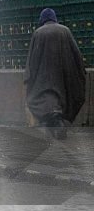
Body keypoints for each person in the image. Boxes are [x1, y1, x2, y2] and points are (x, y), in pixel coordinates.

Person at [24, 8, 86, 138]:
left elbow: (32, 59)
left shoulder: (38, 33)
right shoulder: (65, 31)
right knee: (62, 99)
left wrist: (29, 77)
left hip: (44, 77)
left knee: (46, 100)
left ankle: (55, 121)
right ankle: (58, 121)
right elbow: (77, 54)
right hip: (64, 75)